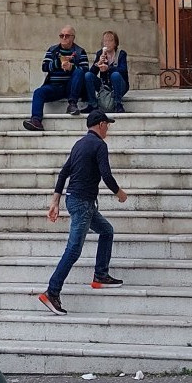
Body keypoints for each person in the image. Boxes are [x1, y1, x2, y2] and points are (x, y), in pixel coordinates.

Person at [37, 111, 127, 314]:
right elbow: (106, 174)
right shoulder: (99, 145)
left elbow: (63, 172)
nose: (108, 129)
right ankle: (52, 292)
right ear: (102, 124)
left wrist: (55, 201)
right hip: (83, 203)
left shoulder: (79, 144)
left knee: (106, 231)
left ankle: (100, 275)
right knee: (73, 250)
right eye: (108, 125)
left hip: (76, 201)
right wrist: (119, 193)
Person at [22, 27, 88, 129]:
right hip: (55, 87)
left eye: (67, 36)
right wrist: (58, 63)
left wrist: (72, 67)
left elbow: (86, 71)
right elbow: (44, 67)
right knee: (38, 92)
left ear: (73, 38)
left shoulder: (80, 52)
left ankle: (72, 104)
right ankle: (36, 120)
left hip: (72, 87)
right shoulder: (52, 50)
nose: (64, 38)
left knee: (79, 72)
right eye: (61, 36)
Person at [84, 30, 130, 115]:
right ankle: (92, 104)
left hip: (120, 85)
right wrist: (98, 63)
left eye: (110, 40)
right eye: (105, 41)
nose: (107, 43)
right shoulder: (100, 53)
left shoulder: (121, 54)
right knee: (88, 75)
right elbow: (92, 73)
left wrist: (108, 68)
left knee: (115, 75)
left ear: (115, 43)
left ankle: (118, 104)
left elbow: (123, 70)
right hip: (104, 85)